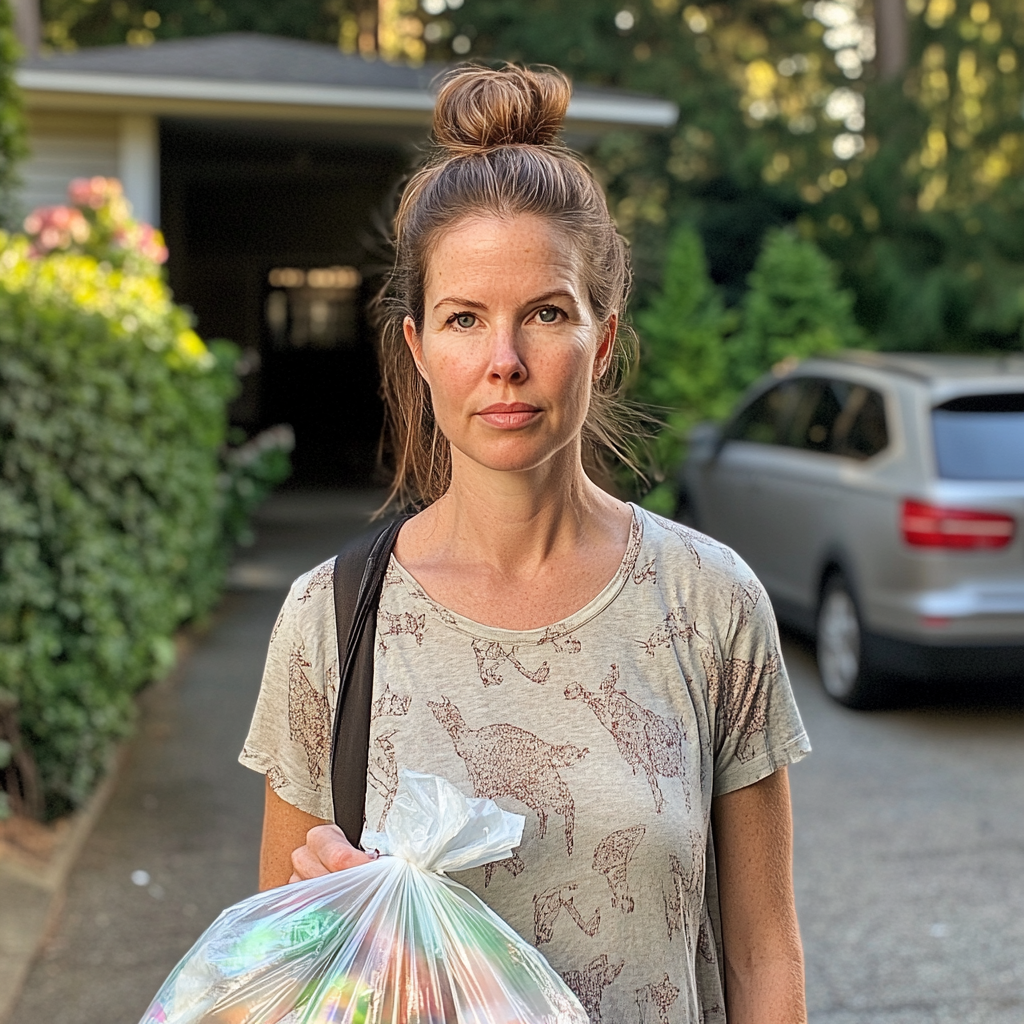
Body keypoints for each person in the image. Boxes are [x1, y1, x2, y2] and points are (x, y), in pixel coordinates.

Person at [240, 63, 811, 1024]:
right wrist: (320, 912)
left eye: (546, 313)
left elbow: (762, 952)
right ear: (419, 349)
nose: (504, 361)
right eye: (465, 319)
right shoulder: (331, 620)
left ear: (603, 334)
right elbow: (270, 981)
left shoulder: (708, 603)